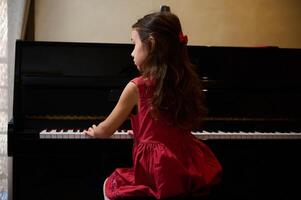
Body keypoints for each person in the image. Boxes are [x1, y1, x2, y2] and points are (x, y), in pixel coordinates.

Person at [84, 11, 222, 200]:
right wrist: (143, 134)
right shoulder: (184, 82)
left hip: (159, 172)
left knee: (109, 185)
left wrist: (95, 131)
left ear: (151, 43)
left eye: (134, 44)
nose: (131, 53)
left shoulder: (137, 87)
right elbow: (165, 128)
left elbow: (106, 131)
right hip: (186, 167)